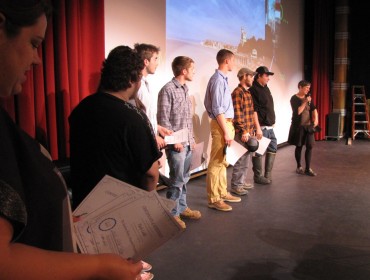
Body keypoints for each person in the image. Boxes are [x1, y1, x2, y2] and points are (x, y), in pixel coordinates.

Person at [0, 1, 142, 279]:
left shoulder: (83, 108)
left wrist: (62, 218)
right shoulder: (130, 117)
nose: (37, 59)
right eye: (33, 43)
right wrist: (99, 267)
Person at [157, 56, 201, 228]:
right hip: (177, 144)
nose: (194, 72)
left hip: (187, 142)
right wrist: (174, 141)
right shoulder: (167, 89)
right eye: (193, 69)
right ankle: (171, 213)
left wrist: (192, 139)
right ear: (184, 71)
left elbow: (186, 120)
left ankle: (181, 208)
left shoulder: (184, 89)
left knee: (184, 177)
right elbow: (163, 119)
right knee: (176, 179)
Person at [204, 49, 241, 212]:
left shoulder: (222, 80)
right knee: (216, 162)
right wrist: (225, 131)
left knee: (223, 161)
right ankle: (214, 198)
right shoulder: (218, 80)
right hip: (222, 124)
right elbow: (217, 108)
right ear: (226, 61)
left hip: (226, 123)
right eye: (233, 60)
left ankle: (222, 192)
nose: (234, 63)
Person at [132, 43, 172, 149]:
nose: (157, 63)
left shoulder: (145, 83)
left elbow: (147, 114)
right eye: (155, 59)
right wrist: (153, 136)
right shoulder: (137, 85)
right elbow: (138, 117)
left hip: (149, 140)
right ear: (146, 61)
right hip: (144, 142)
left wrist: (157, 128)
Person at [230, 67, 263, 196]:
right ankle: (236, 185)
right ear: (244, 76)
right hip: (241, 132)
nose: (253, 78)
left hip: (248, 131)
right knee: (241, 159)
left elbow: (250, 114)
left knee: (246, 159)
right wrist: (244, 131)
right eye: (251, 76)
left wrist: (252, 130)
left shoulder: (247, 93)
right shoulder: (238, 92)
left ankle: (241, 182)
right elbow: (238, 114)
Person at [249, 66, 277, 185]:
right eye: (266, 75)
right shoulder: (253, 89)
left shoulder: (266, 88)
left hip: (269, 126)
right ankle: (258, 176)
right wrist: (258, 128)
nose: (268, 78)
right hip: (261, 127)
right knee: (259, 151)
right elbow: (254, 110)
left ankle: (267, 175)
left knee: (273, 147)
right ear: (259, 75)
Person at [288, 80, 318, 176]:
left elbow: (314, 109)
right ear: (300, 87)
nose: (308, 90)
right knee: (299, 146)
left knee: (309, 146)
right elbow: (298, 112)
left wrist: (316, 119)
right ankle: (299, 166)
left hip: (308, 126)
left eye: (309, 88)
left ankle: (308, 168)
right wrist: (304, 102)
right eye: (306, 87)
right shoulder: (294, 98)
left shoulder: (308, 98)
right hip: (298, 126)